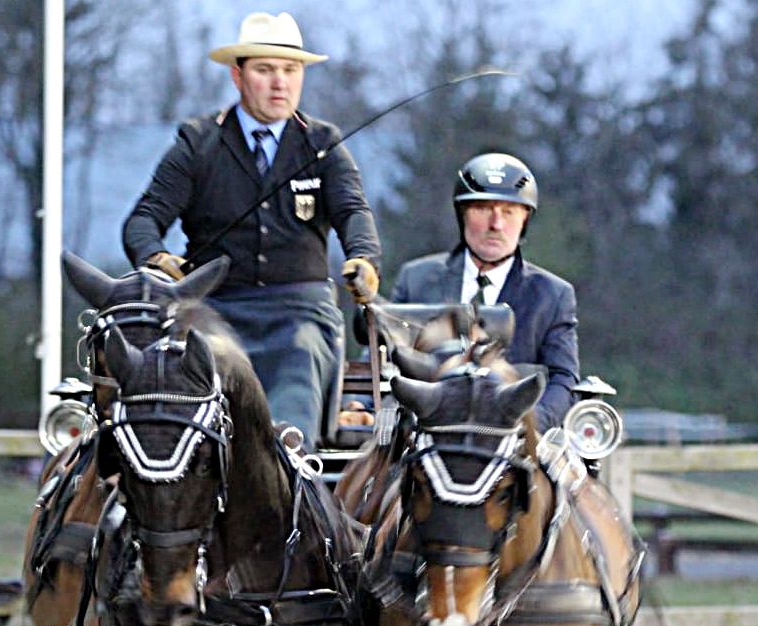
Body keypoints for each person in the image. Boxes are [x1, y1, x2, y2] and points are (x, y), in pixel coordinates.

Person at [122, 11, 382, 453]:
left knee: (301, 355)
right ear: (238, 76)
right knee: (195, 375)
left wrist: (364, 259)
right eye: (265, 70)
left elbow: (353, 210)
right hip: (215, 309)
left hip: (299, 312)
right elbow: (143, 219)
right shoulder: (199, 142)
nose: (280, 83)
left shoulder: (322, 143)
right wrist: (155, 257)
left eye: (291, 70)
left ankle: (291, 464)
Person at [390, 152, 579, 430]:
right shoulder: (415, 280)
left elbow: (564, 379)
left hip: (511, 441)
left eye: (508, 211)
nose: (496, 224)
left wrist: (531, 426)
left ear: (525, 218)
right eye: (483, 209)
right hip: (425, 436)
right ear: (462, 214)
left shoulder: (552, 295)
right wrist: (362, 407)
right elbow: (383, 358)